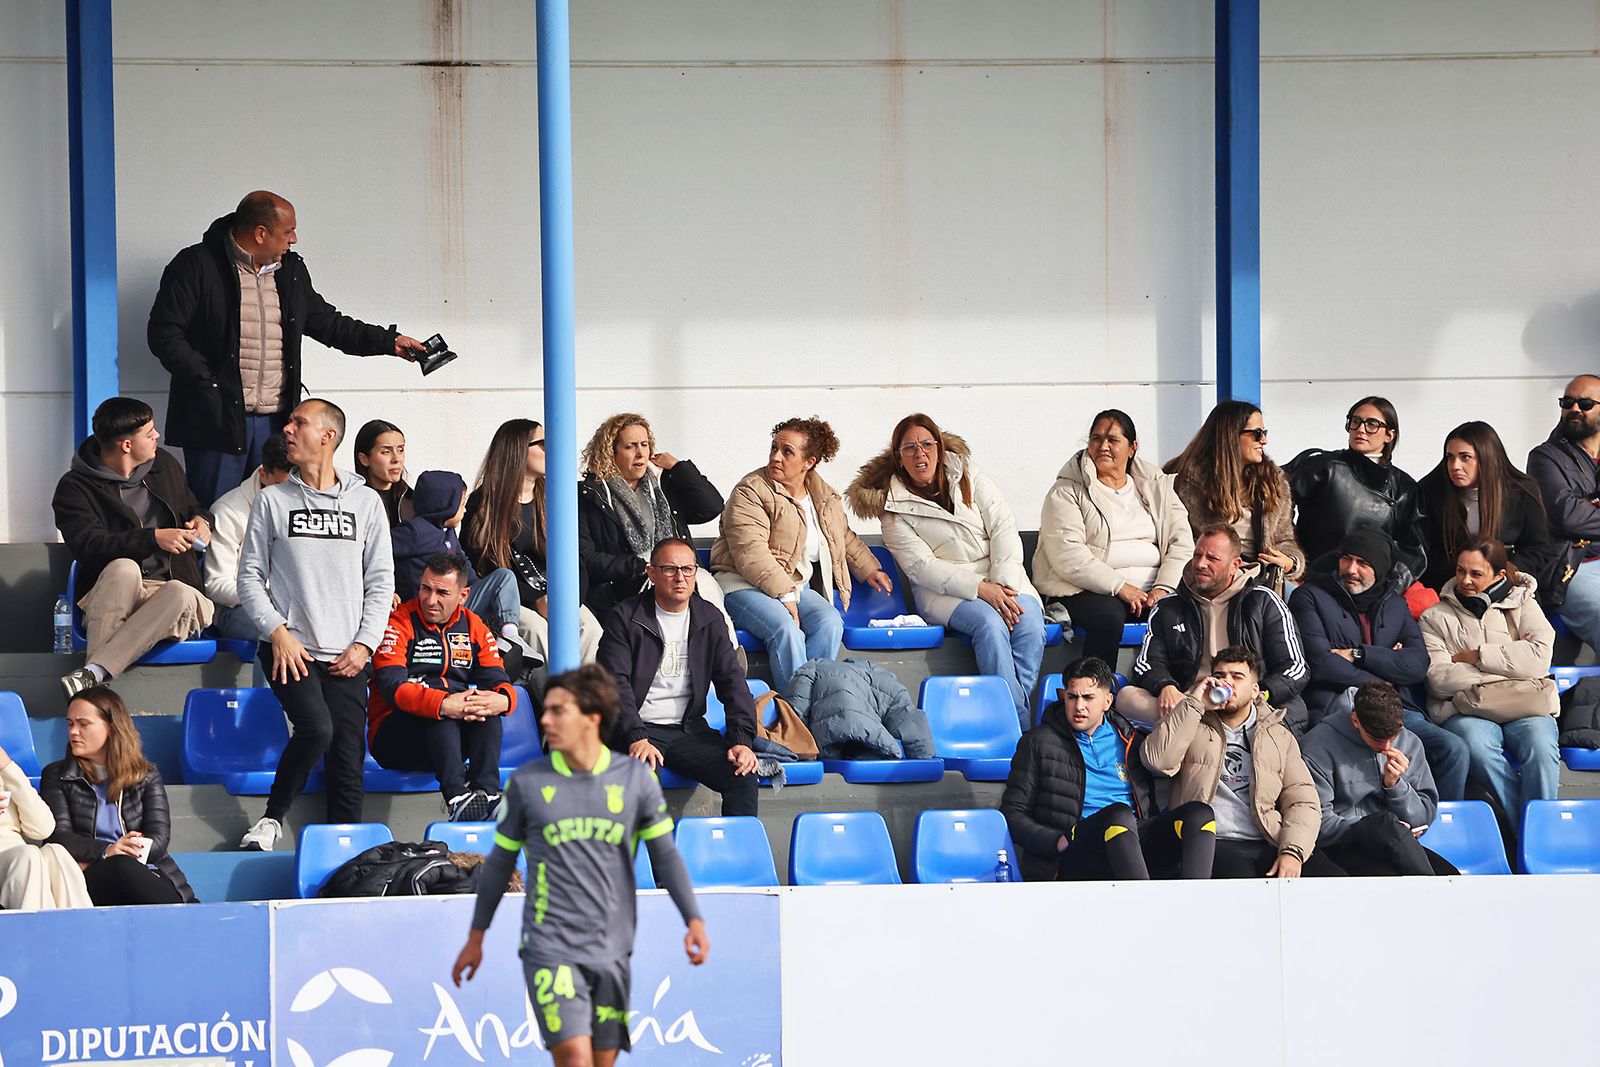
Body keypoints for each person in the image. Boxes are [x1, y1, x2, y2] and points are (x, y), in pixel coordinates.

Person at [451, 665, 709, 1067]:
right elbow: (501, 862)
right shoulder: (527, 783)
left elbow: (666, 855)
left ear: (591, 719)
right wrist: (476, 935)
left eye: (558, 711)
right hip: (548, 945)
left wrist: (693, 920)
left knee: (601, 1060)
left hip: (611, 948)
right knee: (574, 1058)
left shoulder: (636, 781)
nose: (545, 719)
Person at [147, 190, 428, 506]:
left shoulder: (291, 271)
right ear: (260, 233)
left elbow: (330, 324)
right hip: (215, 419)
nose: (293, 239)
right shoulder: (196, 265)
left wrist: (389, 342)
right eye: (288, 231)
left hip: (276, 423)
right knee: (216, 516)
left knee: (280, 517)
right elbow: (164, 333)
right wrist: (209, 384)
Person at [236, 398, 394, 850]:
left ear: (328, 436)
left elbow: (381, 581)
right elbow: (248, 577)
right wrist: (277, 633)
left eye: (298, 422)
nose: (287, 429)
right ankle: (271, 820)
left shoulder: (365, 503)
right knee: (317, 729)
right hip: (291, 648)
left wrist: (364, 646)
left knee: (348, 758)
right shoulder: (272, 500)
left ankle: (348, 854)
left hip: (348, 653)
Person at [846, 413, 1045, 729]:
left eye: (926, 444)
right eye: (909, 448)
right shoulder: (892, 507)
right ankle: (1019, 725)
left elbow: (1004, 525)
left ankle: (1009, 715)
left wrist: (1004, 585)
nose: (920, 454)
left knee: (1031, 624)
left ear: (939, 447)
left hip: (1003, 578)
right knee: (991, 626)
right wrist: (982, 590)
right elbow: (922, 567)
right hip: (944, 593)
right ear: (898, 457)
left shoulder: (969, 474)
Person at [711, 416, 893, 694]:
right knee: (786, 629)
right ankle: (798, 713)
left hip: (792, 585)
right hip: (741, 583)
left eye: (787, 452)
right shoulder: (750, 490)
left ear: (809, 462)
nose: (776, 457)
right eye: (774, 448)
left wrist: (870, 568)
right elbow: (750, 552)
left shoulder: (824, 496)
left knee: (830, 622)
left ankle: (816, 699)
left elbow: (841, 536)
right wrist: (784, 595)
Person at [1287, 527, 1469, 799]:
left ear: (1380, 568)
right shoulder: (1310, 596)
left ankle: (1432, 828)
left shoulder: (1394, 604)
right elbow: (1322, 663)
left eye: (1363, 563)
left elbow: (1418, 664)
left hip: (1396, 710)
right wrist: (1386, 671)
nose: (1350, 569)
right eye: (1346, 559)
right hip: (1339, 709)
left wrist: (1359, 654)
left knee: (1454, 749)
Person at [52, 396, 214, 698]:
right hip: (114, 593)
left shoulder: (164, 465)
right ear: (126, 445)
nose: (157, 437)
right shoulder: (74, 488)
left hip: (174, 598)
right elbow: (88, 547)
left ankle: (93, 680)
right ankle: (97, 682)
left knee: (179, 590)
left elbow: (195, 506)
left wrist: (202, 521)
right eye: (149, 432)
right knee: (123, 568)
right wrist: (152, 538)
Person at [1000, 656, 1216, 881]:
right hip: (1077, 851)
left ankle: (1196, 905)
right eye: (1072, 697)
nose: (1079, 706)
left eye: (1088, 698)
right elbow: (1013, 813)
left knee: (1199, 814)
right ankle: (1145, 905)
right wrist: (1056, 841)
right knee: (1118, 815)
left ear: (1107, 701)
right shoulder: (1038, 741)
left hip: (1131, 843)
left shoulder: (1130, 739)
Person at [1140, 646, 1333, 878]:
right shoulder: (1191, 720)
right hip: (1209, 840)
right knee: (1241, 875)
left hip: (1266, 839)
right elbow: (1156, 760)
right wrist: (1193, 704)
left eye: (1236, 676)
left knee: (1333, 876)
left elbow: (1302, 800)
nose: (1226, 682)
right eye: (1219, 676)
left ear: (1255, 690)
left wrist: (1293, 851)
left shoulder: (1278, 735)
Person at [598, 538, 760, 816]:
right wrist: (634, 735)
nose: (680, 578)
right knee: (641, 780)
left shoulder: (709, 617)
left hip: (688, 731)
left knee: (742, 774)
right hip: (636, 729)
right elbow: (614, 684)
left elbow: (732, 682)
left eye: (688, 569)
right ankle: (643, 859)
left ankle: (735, 857)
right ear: (651, 573)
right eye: (670, 569)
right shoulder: (625, 617)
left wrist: (742, 741)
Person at [1031, 408, 1193, 666]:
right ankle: (1096, 694)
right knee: (1107, 617)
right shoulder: (1067, 490)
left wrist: (1163, 588)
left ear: (1132, 447)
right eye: (1096, 439)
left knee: (1195, 612)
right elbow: (1068, 554)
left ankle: (1175, 694)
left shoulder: (1155, 487)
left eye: (1113, 440)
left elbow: (1182, 543)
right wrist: (1120, 587)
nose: (1103, 446)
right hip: (1086, 589)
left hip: (1153, 591)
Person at [1420, 538, 1559, 828]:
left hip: (1525, 706)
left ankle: (1537, 833)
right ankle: (1529, 830)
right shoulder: (1434, 616)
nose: (1465, 580)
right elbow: (1439, 679)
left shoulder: (1524, 605)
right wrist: (1512, 668)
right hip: (1466, 709)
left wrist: (1477, 657)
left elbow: (1539, 660)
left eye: (1476, 574)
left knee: (1542, 749)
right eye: (1460, 571)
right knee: (1476, 746)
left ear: (1499, 576)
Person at [369, 552, 516, 822]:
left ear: (463, 595)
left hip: (451, 739)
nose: (430, 599)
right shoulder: (398, 622)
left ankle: (488, 795)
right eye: (425, 588)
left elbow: (497, 677)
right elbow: (392, 687)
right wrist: (443, 704)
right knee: (442, 706)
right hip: (395, 737)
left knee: (484, 706)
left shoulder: (474, 625)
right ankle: (457, 799)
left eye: (441, 592)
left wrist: (504, 701)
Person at [1119, 525, 1310, 733]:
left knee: (1288, 713)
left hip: (1249, 704)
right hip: (1191, 703)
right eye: (1197, 555)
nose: (1200, 564)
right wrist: (1166, 686)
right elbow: (1148, 663)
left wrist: (1259, 694)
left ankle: (1203, 733)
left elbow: (1295, 667)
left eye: (1212, 558)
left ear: (1235, 565)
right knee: (1126, 698)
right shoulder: (1168, 607)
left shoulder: (1264, 601)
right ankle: (1207, 730)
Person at [463, 419, 603, 666]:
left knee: (590, 628)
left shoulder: (554, 496)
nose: (552, 450)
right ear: (517, 450)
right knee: (536, 629)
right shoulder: (483, 502)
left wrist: (572, 598)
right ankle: (554, 699)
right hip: (513, 600)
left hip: (557, 591)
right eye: (543, 444)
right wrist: (535, 599)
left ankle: (583, 699)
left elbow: (575, 557)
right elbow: (486, 566)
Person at [40, 688, 196, 905]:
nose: (74, 732)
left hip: (144, 869)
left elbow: (159, 838)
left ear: (111, 728)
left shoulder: (146, 775)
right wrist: (108, 850)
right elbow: (58, 836)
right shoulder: (57, 775)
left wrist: (129, 851)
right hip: (91, 874)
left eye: (83, 724)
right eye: (70, 724)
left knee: (127, 869)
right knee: (120, 866)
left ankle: (187, 914)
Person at [578, 413, 731, 625]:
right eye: (630, 446)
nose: (640, 453)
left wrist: (678, 467)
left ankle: (726, 651)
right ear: (611, 452)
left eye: (644, 444)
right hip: (624, 586)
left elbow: (711, 507)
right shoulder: (590, 495)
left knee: (702, 581)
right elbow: (587, 557)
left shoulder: (662, 486)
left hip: (675, 576)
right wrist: (641, 566)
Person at [1299, 682, 1458, 876]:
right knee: (1389, 846)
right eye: (1376, 738)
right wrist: (1368, 828)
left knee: (1450, 876)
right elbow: (1313, 821)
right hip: (1341, 845)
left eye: (1394, 737)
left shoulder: (1410, 742)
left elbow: (1422, 819)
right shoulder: (1316, 747)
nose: (1386, 746)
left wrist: (1396, 787)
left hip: (1399, 843)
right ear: (1355, 720)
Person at [1284, 396, 1428, 589]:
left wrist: (1388, 587)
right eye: (1356, 421)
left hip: (1369, 591)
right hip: (1313, 582)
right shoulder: (1323, 466)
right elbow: (1274, 495)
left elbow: (1413, 552)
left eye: (1372, 424)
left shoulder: (1405, 488)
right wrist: (1290, 551)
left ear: (1389, 435)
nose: (1361, 429)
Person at [1164, 400, 1304, 594]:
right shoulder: (1185, 482)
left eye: (1265, 433)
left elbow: (1284, 540)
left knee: (1304, 602)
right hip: (1210, 578)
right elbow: (1179, 542)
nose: (1264, 441)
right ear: (1230, 436)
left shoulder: (1273, 481)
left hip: (1263, 576)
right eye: (1257, 434)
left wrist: (1290, 562)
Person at [391, 470, 526, 646]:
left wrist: (484, 593)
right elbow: (379, 554)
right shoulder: (414, 531)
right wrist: (389, 590)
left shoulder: (448, 532)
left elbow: (465, 567)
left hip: (458, 603)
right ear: (445, 505)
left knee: (504, 576)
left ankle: (509, 635)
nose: (465, 509)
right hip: (429, 607)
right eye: (461, 504)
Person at [1418, 421, 1553, 592]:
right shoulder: (1430, 492)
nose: (1455, 466)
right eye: (1450, 457)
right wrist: (1463, 575)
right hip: (1449, 588)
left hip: (1508, 585)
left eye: (1465, 457)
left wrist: (1501, 573)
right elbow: (1422, 550)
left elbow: (1539, 549)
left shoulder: (1522, 492)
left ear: (1486, 457)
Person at [1527, 374, 1600, 643]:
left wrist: (1587, 507)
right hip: (1572, 566)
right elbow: (1566, 515)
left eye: (1585, 403)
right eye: (1567, 402)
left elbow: (1579, 514)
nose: (1574, 409)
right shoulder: (1544, 457)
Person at [205, 431, 292, 640]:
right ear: (263, 474)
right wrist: (266, 599)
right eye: (281, 487)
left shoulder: (307, 502)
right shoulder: (228, 511)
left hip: (292, 607)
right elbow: (216, 584)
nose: (290, 496)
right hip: (237, 609)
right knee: (281, 637)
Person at [0, 744, 91, 910]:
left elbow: (42, 828)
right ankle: (35, 933)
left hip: (18, 859)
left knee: (56, 852)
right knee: (28, 856)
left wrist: (8, 768)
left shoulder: (6, 774)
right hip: (18, 860)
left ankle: (84, 930)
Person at [355, 419, 412, 526]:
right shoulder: (353, 502)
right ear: (364, 459)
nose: (396, 459)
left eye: (400, 450)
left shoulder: (415, 500)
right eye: (386, 452)